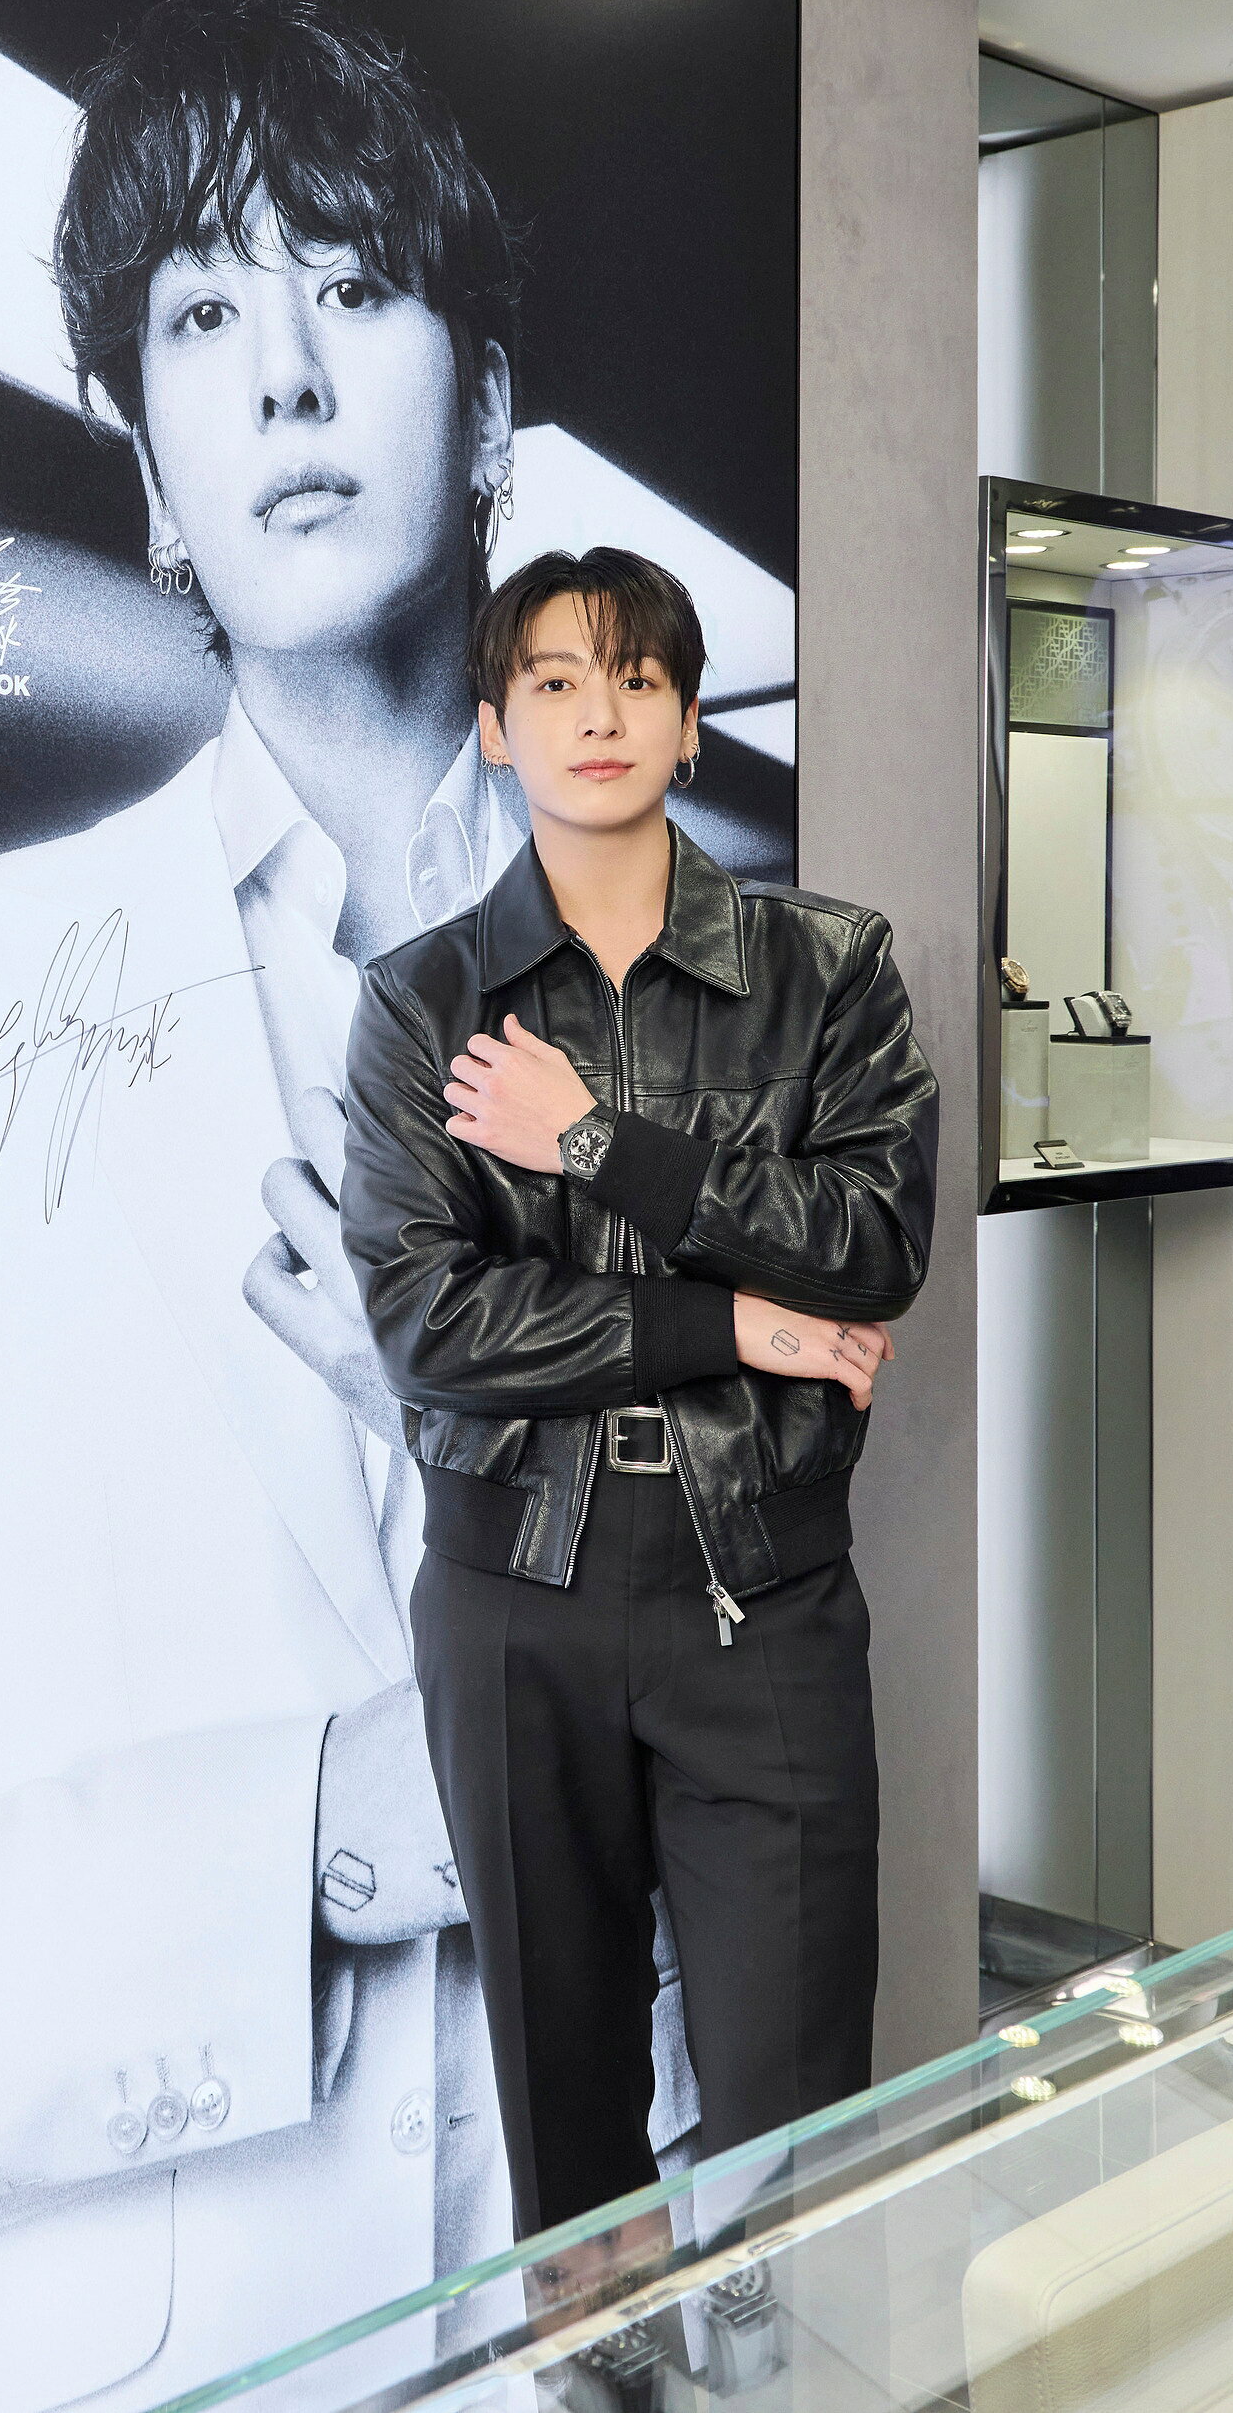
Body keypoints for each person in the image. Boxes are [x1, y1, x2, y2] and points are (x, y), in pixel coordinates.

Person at [0, 0, 700, 2413]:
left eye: (354, 287)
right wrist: (322, 1837)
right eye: (201, 315)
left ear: (486, 408)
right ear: (153, 464)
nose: (283, 376)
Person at [341, 547, 940, 2243]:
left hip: (759, 1592)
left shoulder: (830, 968)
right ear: (492, 727)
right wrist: (729, 1324)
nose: (594, 713)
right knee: (566, 2118)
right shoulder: (424, 1002)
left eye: (635, 680)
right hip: (511, 1601)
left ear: (686, 723)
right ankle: (594, 2371)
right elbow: (429, 1325)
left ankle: (784, 2363)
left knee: (791, 2127)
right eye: (551, 681)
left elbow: (871, 1245)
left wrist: (596, 1142)